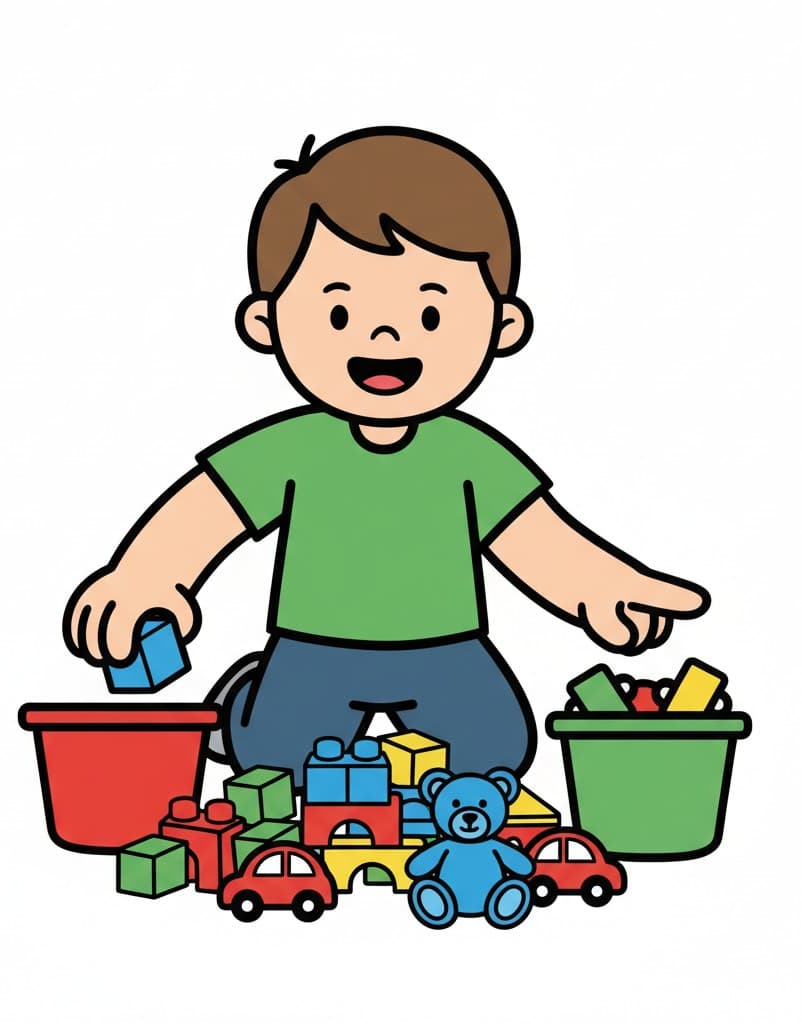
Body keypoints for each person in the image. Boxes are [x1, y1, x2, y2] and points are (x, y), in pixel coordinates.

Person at [64, 127, 709, 785]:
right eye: (339, 314)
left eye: (431, 316)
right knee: (274, 765)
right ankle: (240, 707)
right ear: (267, 324)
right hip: (315, 648)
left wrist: (602, 589)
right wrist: (145, 576)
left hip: (444, 649)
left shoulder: (470, 453)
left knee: (495, 757)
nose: (384, 334)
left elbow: (534, 539)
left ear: (502, 326)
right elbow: (209, 511)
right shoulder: (290, 445)